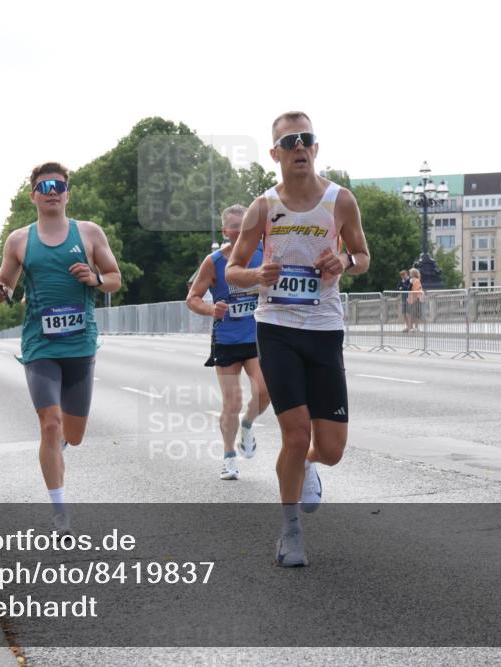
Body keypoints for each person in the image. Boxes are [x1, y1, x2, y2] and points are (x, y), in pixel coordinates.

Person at [227, 111, 370, 567]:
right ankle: (290, 532)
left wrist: (344, 263)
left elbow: (363, 255)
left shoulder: (339, 200)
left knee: (331, 449)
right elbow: (233, 270)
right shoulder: (263, 206)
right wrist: (256, 274)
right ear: (275, 154)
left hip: (325, 328)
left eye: (306, 139)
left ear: (316, 148)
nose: (299, 147)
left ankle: (309, 463)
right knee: (294, 431)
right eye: (289, 142)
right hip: (277, 328)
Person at [0, 162, 122, 536]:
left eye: (59, 185)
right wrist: (1, 292)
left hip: (80, 344)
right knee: (50, 424)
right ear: (33, 194)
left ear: (67, 193)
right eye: (44, 185)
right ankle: (60, 510)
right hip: (40, 345)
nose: (52, 191)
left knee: (74, 435)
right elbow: (5, 287)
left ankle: (62, 441)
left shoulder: (90, 233)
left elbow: (114, 279)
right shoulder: (19, 240)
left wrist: (95, 279)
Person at [186, 204, 271, 481]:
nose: (241, 230)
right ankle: (229, 456)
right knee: (231, 402)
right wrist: (212, 309)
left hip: (257, 335)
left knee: (265, 390)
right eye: (235, 226)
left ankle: (248, 424)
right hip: (227, 339)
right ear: (226, 231)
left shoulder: (264, 252)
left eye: (245, 224)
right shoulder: (214, 262)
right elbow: (193, 298)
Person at [408, 267, 424, 332]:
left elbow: (417, 290)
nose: (409, 274)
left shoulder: (416, 280)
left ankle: (415, 327)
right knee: (413, 314)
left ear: (413, 273)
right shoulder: (411, 280)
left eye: (410, 273)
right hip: (412, 299)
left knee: (415, 314)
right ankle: (412, 327)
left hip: (415, 299)